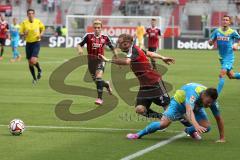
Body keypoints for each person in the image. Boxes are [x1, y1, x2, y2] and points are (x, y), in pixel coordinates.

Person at [100, 33, 175, 118]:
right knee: (140, 109)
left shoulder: (133, 50)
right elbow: (149, 53)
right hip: (144, 86)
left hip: (155, 82)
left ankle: (188, 124)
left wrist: (108, 60)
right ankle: (161, 117)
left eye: (121, 43)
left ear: (126, 44)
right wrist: (162, 57)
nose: (119, 45)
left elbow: (127, 62)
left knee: (167, 107)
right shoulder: (134, 49)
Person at [126, 83, 225, 143]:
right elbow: (189, 111)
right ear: (203, 95)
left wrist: (222, 138)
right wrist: (196, 125)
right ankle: (138, 134)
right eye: (208, 102)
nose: (209, 105)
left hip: (195, 107)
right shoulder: (193, 93)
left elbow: (218, 118)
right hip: (178, 103)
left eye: (211, 103)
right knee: (164, 124)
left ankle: (189, 131)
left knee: (206, 127)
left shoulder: (212, 101)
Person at [77, 19, 117, 105]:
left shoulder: (105, 37)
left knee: (98, 77)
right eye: (95, 28)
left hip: (100, 60)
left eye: (98, 27)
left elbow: (112, 47)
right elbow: (79, 44)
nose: (97, 29)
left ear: (101, 28)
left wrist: (116, 57)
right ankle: (106, 84)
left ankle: (99, 99)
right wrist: (80, 50)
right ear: (93, 28)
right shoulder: (88, 36)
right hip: (91, 62)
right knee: (97, 82)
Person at [209, 15, 240, 94]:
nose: (225, 21)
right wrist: (210, 42)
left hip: (229, 57)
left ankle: (215, 97)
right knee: (231, 75)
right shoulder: (217, 31)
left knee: (222, 74)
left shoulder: (232, 32)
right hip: (221, 57)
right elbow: (211, 42)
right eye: (223, 20)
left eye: (227, 20)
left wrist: (237, 45)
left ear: (229, 22)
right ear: (222, 21)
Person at [20, 9, 45, 84]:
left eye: (32, 13)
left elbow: (43, 29)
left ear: (34, 14)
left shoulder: (38, 21)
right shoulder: (24, 23)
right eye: (29, 13)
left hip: (36, 43)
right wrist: (24, 33)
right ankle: (34, 78)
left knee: (33, 60)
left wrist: (40, 35)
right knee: (30, 63)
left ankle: (39, 69)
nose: (30, 15)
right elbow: (21, 33)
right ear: (27, 15)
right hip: (28, 44)